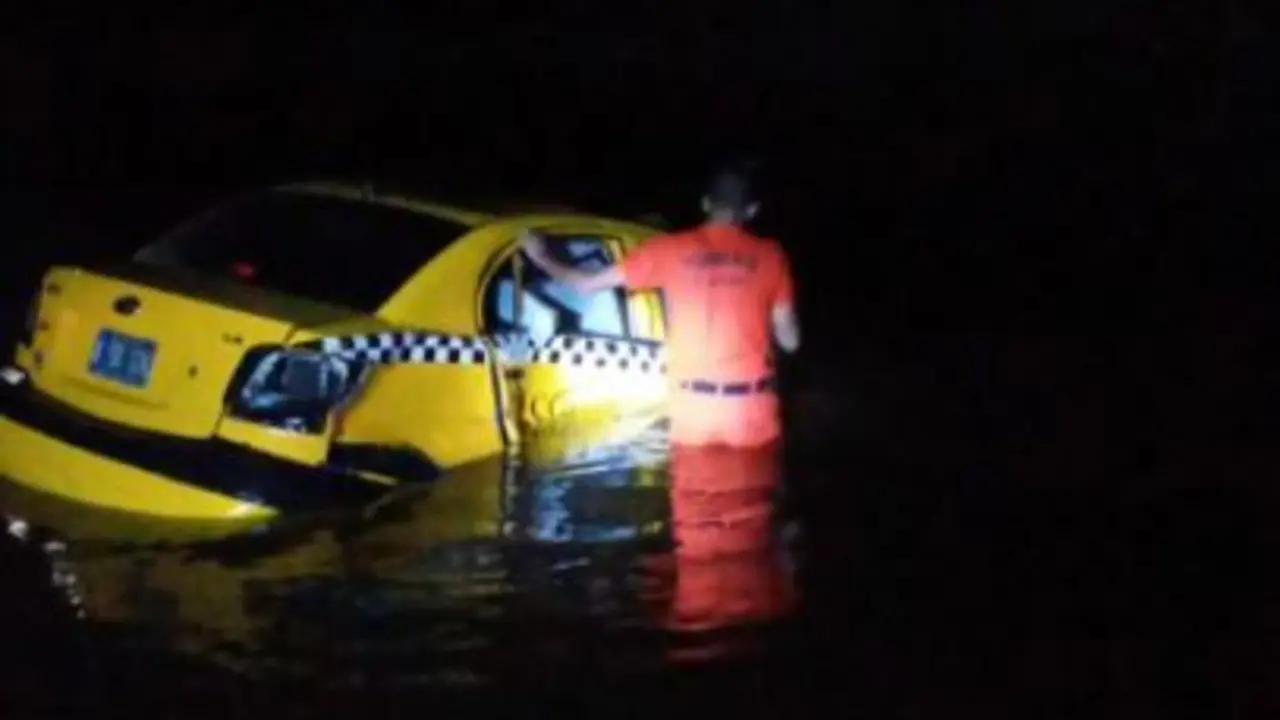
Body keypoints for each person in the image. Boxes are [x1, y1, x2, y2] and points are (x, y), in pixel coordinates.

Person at [519, 164, 801, 448]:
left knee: (695, 490)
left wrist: (542, 257)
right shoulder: (771, 256)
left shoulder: (667, 249)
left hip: (694, 411)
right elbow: (790, 341)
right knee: (753, 490)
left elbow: (586, 284)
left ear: (705, 204)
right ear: (752, 210)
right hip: (751, 408)